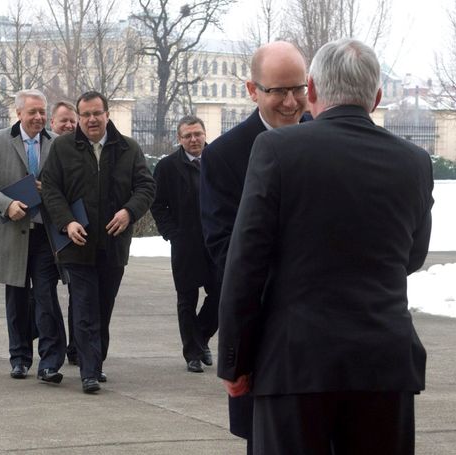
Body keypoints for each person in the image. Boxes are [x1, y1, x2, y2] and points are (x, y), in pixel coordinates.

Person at [218, 38, 434, 455]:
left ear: (311, 90)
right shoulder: (414, 161)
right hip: (383, 367)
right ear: (376, 97)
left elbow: (246, 263)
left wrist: (235, 360)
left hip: (295, 363)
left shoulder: (277, 149)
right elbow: (412, 255)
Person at [199, 41, 309, 453]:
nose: (290, 101)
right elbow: (226, 250)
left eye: (297, 88)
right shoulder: (225, 156)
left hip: (327, 340)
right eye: (277, 91)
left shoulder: (327, 139)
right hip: (264, 329)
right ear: (252, 90)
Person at [42, 90, 155, 393]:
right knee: (84, 304)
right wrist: (67, 221)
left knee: (103, 307)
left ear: (107, 114)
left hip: (113, 245)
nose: (92, 120)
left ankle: (95, 361)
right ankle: (89, 372)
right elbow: (50, 188)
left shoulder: (128, 149)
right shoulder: (62, 148)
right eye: (86, 115)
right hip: (77, 244)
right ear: (78, 118)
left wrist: (128, 212)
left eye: (97, 113)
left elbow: (145, 186)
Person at [0, 89, 66, 382]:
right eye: (32, 112)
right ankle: (20, 358)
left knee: (47, 296)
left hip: (46, 236)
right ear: (19, 114)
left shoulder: (58, 144)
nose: (38, 118)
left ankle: (49, 363)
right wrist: (6, 204)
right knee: (17, 297)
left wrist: (49, 192)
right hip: (13, 232)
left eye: (42, 112)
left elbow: (70, 185)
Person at [150, 115, 218, 374]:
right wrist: (171, 233)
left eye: (197, 134)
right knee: (187, 298)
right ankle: (192, 353)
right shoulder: (168, 166)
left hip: (216, 241)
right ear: (179, 139)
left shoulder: (218, 160)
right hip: (185, 243)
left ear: (204, 133)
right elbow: (157, 204)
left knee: (222, 294)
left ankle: (200, 339)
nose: (194, 139)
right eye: (187, 135)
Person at [49, 100, 79, 366]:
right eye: (63, 121)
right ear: (52, 123)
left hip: (73, 231)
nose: (68, 125)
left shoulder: (81, 148)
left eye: (72, 120)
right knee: (44, 295)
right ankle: (52, 345)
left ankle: (76, 346)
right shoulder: (44, 147)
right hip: (41, 234)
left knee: (78, 292)